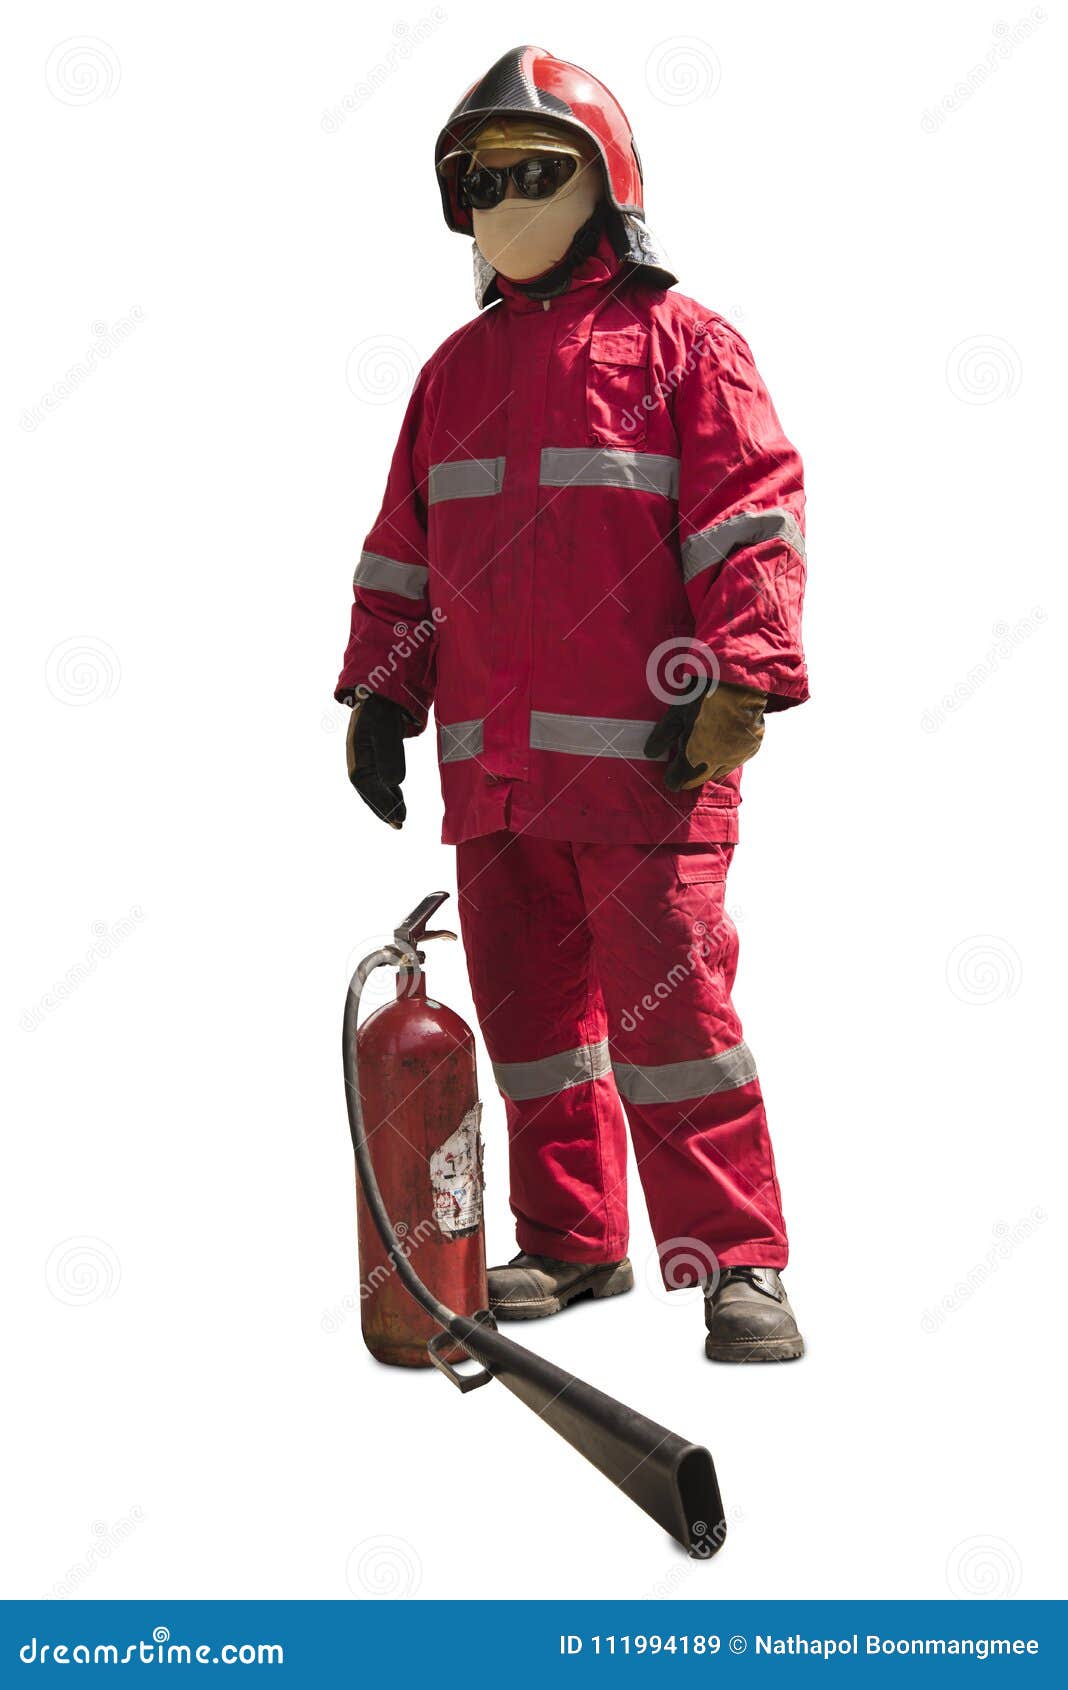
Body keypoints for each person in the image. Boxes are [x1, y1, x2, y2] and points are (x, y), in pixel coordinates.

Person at [336, 47, 809, 1362]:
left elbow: (751, 521)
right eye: (477, 183)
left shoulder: (684, 347)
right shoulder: (453, 373)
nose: (502, 203)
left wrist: (742, 679)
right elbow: (405, 554)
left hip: (650, 770)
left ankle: (738, 1263)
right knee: (535, 1033)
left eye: (532, 175)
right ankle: (570, 1240)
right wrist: (381, 693)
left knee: (678, 1029)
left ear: (608, 187)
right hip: (495, 784)